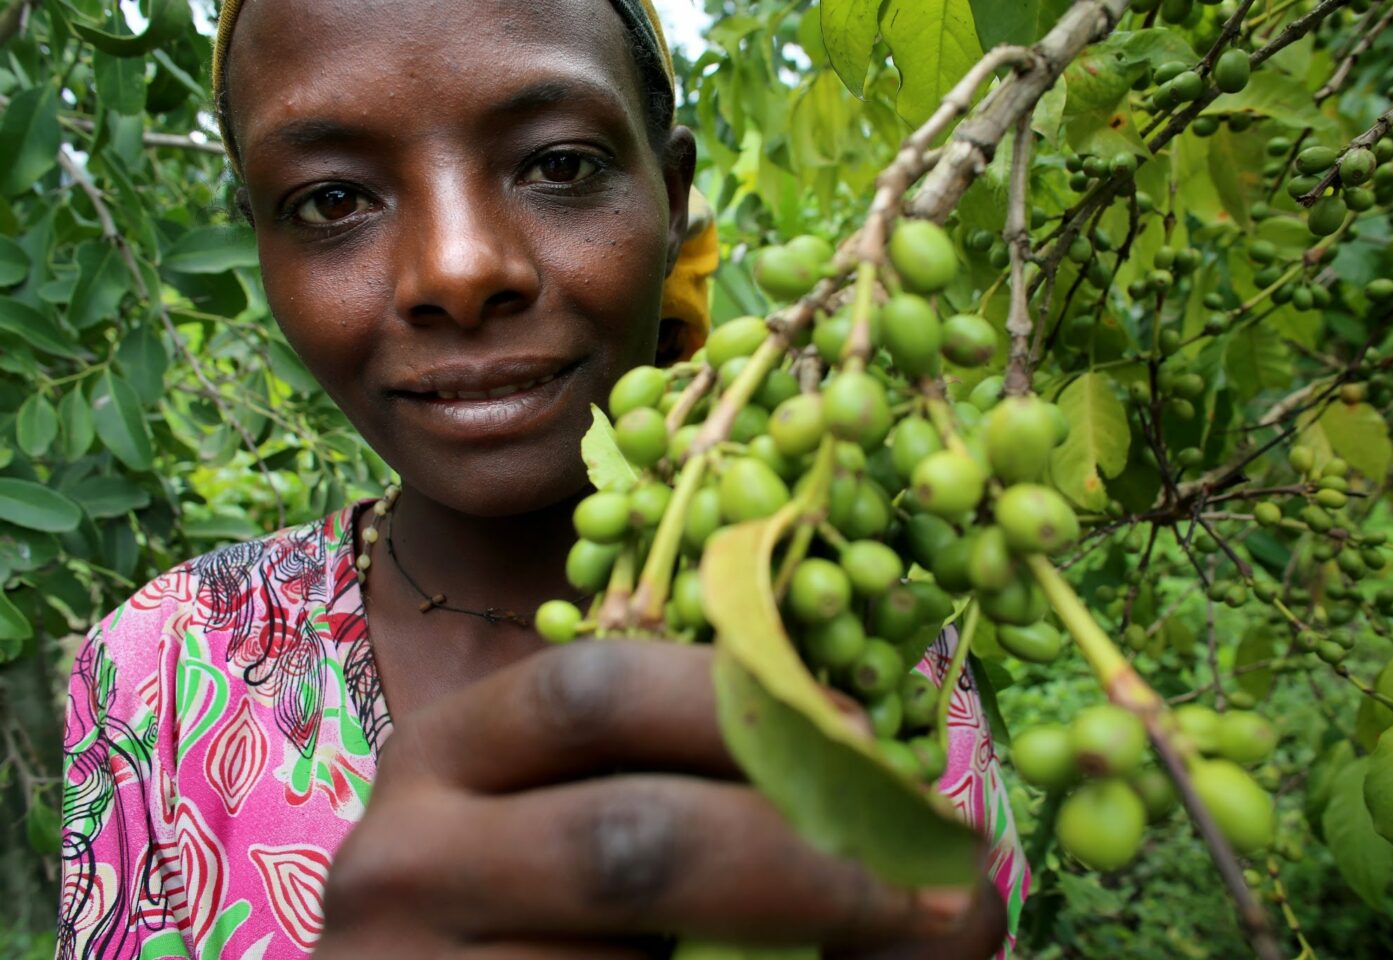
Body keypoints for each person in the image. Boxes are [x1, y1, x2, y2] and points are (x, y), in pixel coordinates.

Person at [55, 0, 1028, 956]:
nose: (459, 269)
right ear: (263, 247)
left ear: (672, 190)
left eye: (559, 164)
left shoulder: (856, 627)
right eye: (331, 199)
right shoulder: (160, 675)